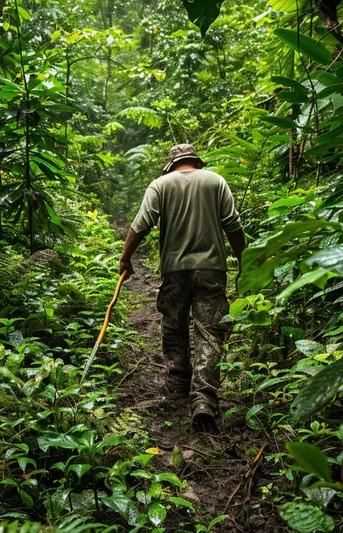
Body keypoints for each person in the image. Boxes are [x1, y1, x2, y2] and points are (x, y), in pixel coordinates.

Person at [119, 143, 246, 432]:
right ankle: (203, 399)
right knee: (210, 331)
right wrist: (244, 263)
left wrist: (126, 258)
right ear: (196, 162)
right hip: (211, 269)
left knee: (174, 325)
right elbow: (233, 226)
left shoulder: (160, 185)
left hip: (174, 270)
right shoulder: (216, 181)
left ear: (172, 164)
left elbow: (141, 224)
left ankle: (177, 385)